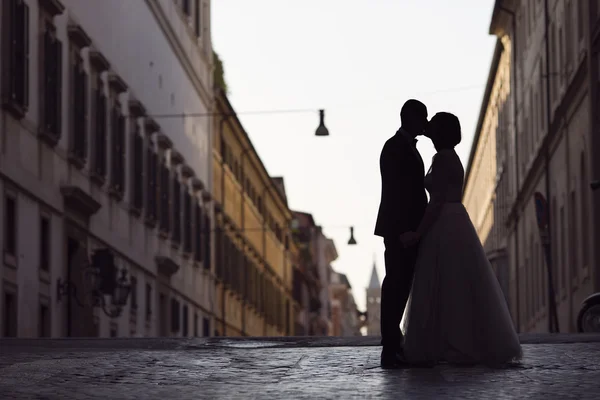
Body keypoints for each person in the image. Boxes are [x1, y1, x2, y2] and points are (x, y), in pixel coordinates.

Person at [399, 112, 522, 366]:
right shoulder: (450, 157)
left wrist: (417, 233)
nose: (428, 130)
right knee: (458, 283)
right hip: (456, 221)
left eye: (432, 127)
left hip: (444, 224)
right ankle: (459, 342)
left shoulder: (442, 159)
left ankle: (453, 344)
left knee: (447, 283)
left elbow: (436, 203)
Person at [374, 99, 429, 369]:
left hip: (407, 228)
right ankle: (390, 347)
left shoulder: (404, 146)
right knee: (396, 284)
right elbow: (396, 192)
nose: (426, 124)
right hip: (400, 229)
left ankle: (393, 344)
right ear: (411, 118)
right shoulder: (395, 147)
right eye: (423, 118)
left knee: (401, 284)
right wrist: (405, 229)